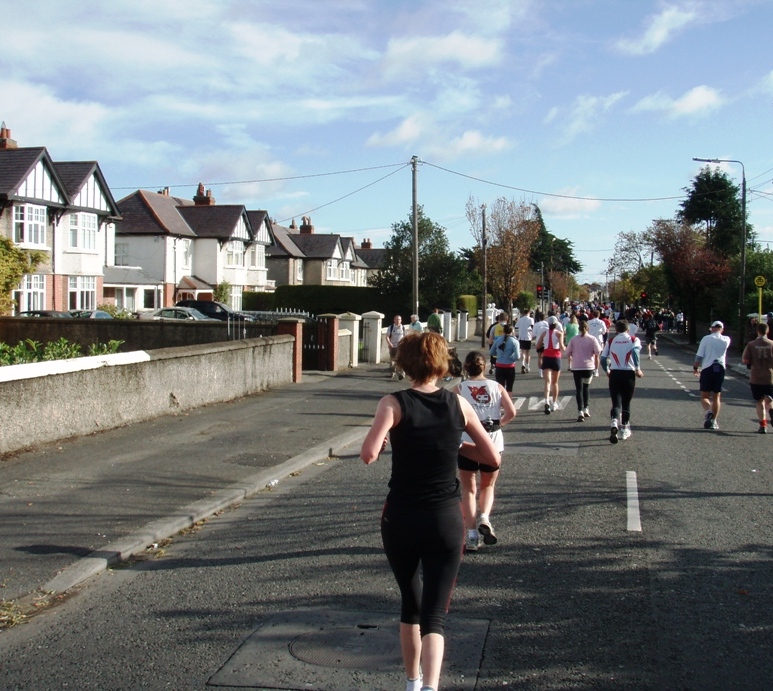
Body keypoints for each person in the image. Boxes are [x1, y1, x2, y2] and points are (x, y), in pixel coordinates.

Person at [360, 332, 500, 691]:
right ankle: (431, 687)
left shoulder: (393, 403)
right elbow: (491, 457)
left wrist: (387, 437)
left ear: (404, 364)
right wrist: (452, 447)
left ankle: (411, 682)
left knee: (411, 606)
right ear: (441, 364)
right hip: (444, 519)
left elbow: (368, 454)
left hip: (401, 516)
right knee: (434, 617)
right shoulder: (458, 405)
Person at [455, 351, 516, 551]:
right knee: (488, 486)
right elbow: (511, 412)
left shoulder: (459, 389)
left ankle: (472, 536)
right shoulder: (496, 387)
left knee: (468, 489)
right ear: (486, 366)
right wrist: (499, 425)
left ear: (466, 367)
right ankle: (485, 518)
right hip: (493, 442)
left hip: (467, 442)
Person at [600, 320, 643, 443]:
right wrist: (638, 369)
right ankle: (624, 429)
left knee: (616, 403)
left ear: (617, 330)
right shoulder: (634, 339)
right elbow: (635, 352)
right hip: (628, 373)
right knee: (626, 402)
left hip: (614, 373)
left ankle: (614, 421)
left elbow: (603, 359)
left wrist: (607, 370)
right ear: (628, 329)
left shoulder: (611, 341)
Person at [694, 320, 732, 430]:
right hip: (720, 368)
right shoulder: (726, 339)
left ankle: (708, 411)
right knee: (717, 396)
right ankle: (714, 421)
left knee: (705, 396)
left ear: (712, 328)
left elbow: (699, 356)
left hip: (707, 368)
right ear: (722, 329)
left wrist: (695, 367)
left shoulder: (706, 338)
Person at [564, 319, 602, 421]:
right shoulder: (592, 339)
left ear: (579, 329)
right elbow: (598, 351)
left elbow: (567, 353)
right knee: (586, 388)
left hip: (576, 366)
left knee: (578, 389)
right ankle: (586, 408)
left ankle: (579, 410)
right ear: (588, 329)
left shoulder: (573, 340)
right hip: (588, 367)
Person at [741, 321, 773, 433]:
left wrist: (751, 363)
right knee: (769, 399)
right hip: (770, 376)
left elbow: (745, 360)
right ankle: (772, 411)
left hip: (756, 377)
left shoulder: (751, 344)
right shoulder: (772, 344)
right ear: (767, 331)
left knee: (759, 401)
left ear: (757, 331)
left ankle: (763, 425)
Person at [536, 315, 566, 413]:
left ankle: (546, 402)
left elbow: (538, 345)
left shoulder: (544, 333)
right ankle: (554, 403)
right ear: (556, 324)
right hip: (556, 357)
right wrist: (568, 350)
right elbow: (561, 346)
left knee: (547, 381)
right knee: (555, 382)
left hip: (547, 357)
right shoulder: (559, 334)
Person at [489, 324, 520, 394]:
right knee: (509, 388)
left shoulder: (498, 340)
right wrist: (511, 358)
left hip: (499, 366)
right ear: (512, 331)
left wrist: (499, 355)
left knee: (500, 388)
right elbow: (517, 356)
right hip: (510, 367)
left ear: (503, 331)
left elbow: (491, 352)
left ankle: (500, 403)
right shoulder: (515, 341)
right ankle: (508, 403)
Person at [386, 315, 407, 380]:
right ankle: (392, 373)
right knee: (392, 361)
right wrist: (389, 343)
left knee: (401, 360)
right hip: (392, 346)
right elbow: (387, 337)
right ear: (394, 320)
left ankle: (401, 374)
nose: (398, 321)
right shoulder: (391, 327)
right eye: (397, 319)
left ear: (401, 320)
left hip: (400, 347)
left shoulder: (403, 327)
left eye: (399, 319)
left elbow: (405, 337)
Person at [515, 309, 535, 373]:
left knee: (522, 352)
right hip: (528, 337)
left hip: (521, 337)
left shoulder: (520, 319)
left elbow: (516, 326)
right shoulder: (530, 319)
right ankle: (527, 366)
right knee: (528, 353)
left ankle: (522, 364)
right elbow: (532, 327)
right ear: (528, 313)